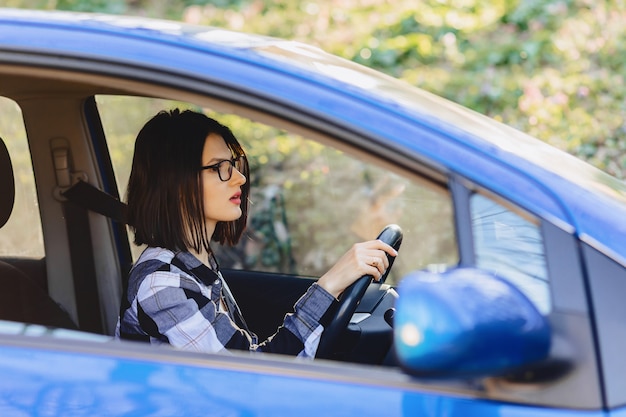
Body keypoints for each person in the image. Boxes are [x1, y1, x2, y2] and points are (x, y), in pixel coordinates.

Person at [116, 109, 397, 358]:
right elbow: (253, 377)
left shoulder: (194, 262)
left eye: (233, 165)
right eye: (219, 169)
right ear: (176, 183)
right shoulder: (162, 285)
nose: (240, 178)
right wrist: (329, 285)